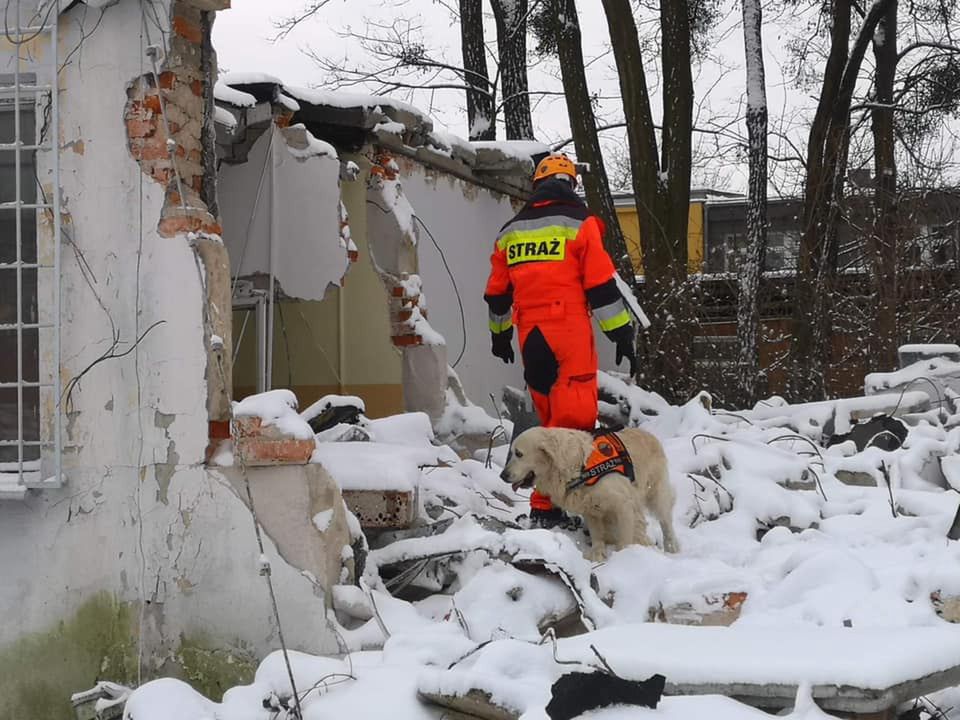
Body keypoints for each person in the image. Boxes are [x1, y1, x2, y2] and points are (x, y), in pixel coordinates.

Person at [484, 153, 637, 527]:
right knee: (572, 428)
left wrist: (500, 336)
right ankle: (553, 506)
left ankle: (549, 504)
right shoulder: (580, 223)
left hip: (528, 335)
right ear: (571, 184)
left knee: (546, 420)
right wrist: (620, 331)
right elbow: (600, 285)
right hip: (567, 331)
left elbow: (498, 295)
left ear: (537, 186)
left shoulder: (510, 232)